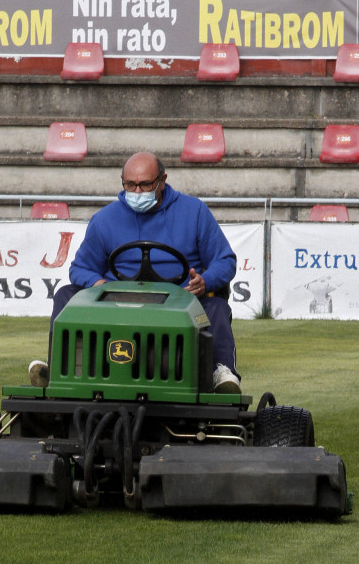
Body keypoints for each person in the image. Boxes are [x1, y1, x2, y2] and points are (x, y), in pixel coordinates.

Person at [30, 151, 241, 394]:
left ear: (161, 181)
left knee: (216, 307)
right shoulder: (105, 219)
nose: (137, 192)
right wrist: (96, 281)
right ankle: (55, 367)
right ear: (122, 181)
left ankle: (222, 371)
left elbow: (225, 260)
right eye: (130, 185)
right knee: (66, 294)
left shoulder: (194, 212)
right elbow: (80, 267)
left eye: (144, 185)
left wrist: (205, 281)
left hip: (181, 299)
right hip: (117, 299)